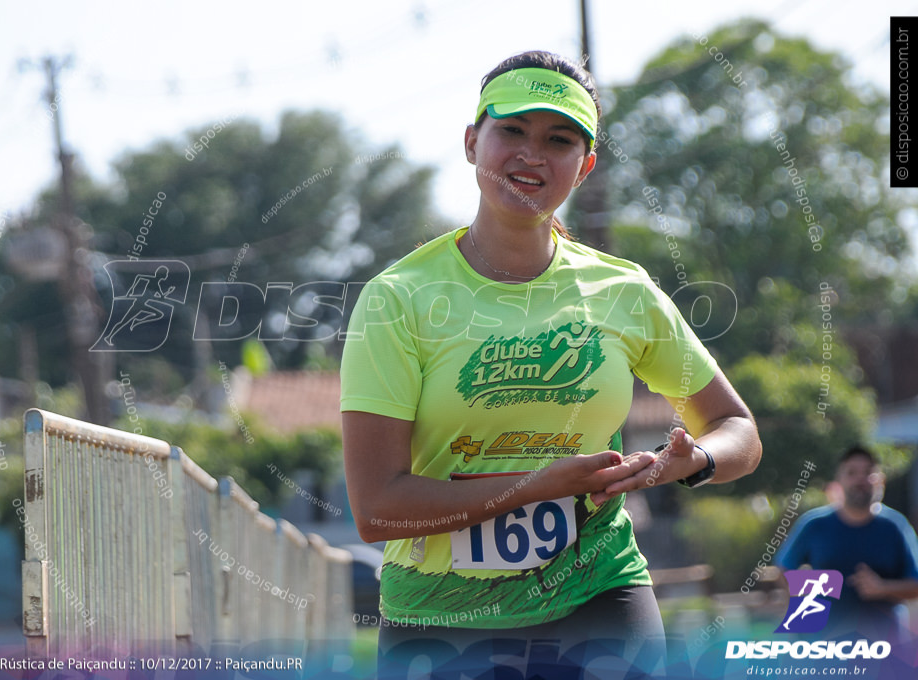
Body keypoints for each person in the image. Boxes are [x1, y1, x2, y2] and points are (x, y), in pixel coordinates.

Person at [340, 50, 763, 677]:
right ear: (471, 141)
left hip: (599, 593)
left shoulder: (624, 290)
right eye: (511, 130)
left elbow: (739, 431)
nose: (531, 154)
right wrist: (537, 487)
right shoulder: (399, 297)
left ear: (585, 165)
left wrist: (691, 462)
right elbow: (378, 510)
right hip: (441, 614)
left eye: (559, 139)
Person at [776, 446, 918, 641]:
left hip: (885, 649)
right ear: (839, 481)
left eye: (868, 472)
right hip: (825, 648)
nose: (860, 479)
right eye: (851, 473)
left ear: (880, 480)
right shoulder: (814, 524)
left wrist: (882, 587)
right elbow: (784, 569)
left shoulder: (895, 526)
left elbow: (915, 584)